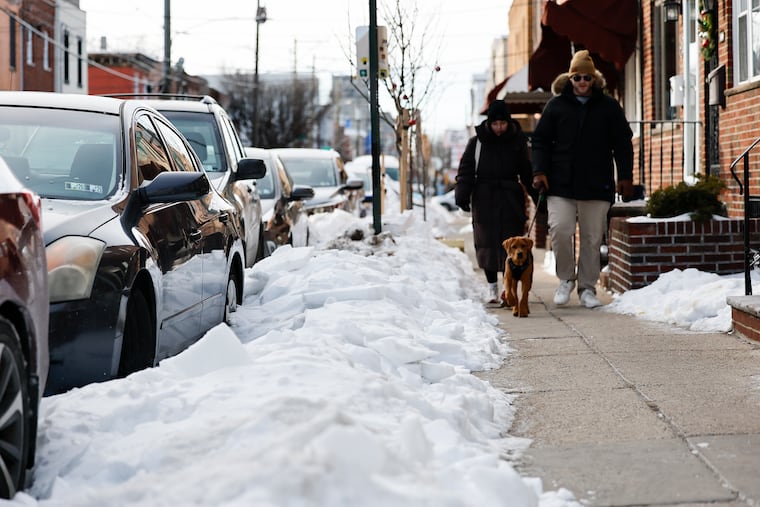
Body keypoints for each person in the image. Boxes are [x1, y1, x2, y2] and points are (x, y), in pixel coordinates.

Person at [531, 50, 634, 309]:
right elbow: (540, 141)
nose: (582, 82)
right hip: (560, 182)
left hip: (596, 182)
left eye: (587, 77)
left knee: (591, 238)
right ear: (570, 77)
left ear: (594, 78)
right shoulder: (555, 106)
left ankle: (587, 288)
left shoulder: (608, 106)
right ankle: (566, 279)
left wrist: (625, 176)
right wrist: (539, 171)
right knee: (560, 230)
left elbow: (623, 142)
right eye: (577, 77)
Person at [455, 99, 537, 307]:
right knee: (487, 243)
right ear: (489, 123)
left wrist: (537, 196)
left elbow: (526, 171)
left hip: (511, 199)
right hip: (484, 198)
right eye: (495, 124)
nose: (499, 128)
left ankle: (506, 288)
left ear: (508, 122)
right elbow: (465, 171)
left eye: (503, 123)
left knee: (510, 244)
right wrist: (462, 196)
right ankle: (492, 286)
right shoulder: (477, 143)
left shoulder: (517, 141)